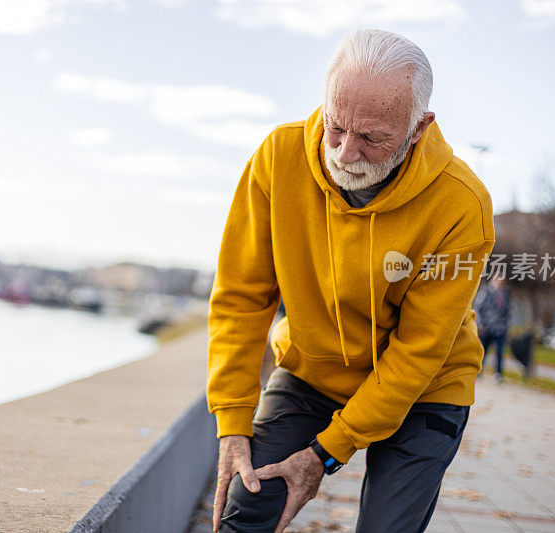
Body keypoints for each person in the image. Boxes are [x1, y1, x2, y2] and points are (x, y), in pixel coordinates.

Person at [206, 29, 496, 533]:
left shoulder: (462, 204)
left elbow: (418, 352)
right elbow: (241, 296)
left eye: (371, 139)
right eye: (335, 127)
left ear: (418, 128)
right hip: (311, 369)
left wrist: (326, 453)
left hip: (426, 388)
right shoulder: (278, 156)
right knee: (248, 505)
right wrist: (232, 420)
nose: (343, 154)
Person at [475, 277, 511, 383]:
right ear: (494, 280)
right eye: (499, 280)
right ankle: (478, 371)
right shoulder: (485, 292)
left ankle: (498, 374)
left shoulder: (505, 294)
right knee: (482, 351)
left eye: (502, 281)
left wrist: (505, 326)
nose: (501, 282)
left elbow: (507, 311)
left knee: (499, 352)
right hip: (486, 327)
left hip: (499, 329)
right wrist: (480, 324)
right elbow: (478, 309)